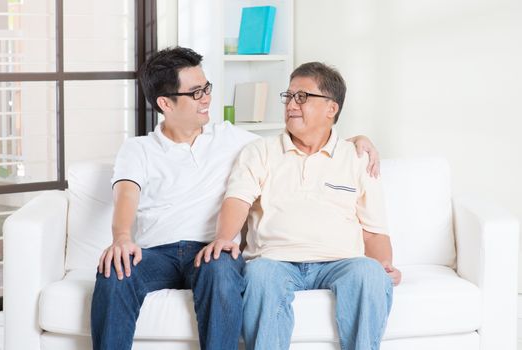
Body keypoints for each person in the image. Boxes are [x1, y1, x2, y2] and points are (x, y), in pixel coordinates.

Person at [90, 47, 380, 350]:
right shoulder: (138, 150)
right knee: (114, 271)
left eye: (207, 88)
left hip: (211, 250)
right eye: (196, 93)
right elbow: (126, 194)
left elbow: (300, 140)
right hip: (155, 254)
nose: (207, 98)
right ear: (166, 103)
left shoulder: (230, 138)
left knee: (222, 267)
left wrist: (353, 142)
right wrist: (122, 237)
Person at [196, 61, 401, 350]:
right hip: (275, 261)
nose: (291, 104)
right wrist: (223, 238)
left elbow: (374, 230)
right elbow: (237, 200)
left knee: (370, 273)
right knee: (259, 275)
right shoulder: (261, 150)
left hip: (340, 262)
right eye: (289, 96)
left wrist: (384, 266)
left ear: (332, 108)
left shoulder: (357, 157)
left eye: (302, 97)